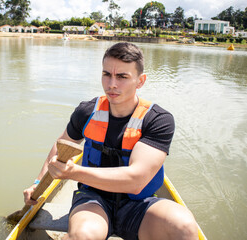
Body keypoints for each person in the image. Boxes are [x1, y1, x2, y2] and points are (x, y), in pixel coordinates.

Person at [23, 42, 199, 240]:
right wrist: (37, 183)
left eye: (122, 77)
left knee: (183, 227)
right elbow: (60, 145)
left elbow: (136, 181)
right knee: (82, 235)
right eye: (107, 74)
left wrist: (74, 173)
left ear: (140, 81)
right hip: (93, 200)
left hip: (140, 204)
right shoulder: (87, 111)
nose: (112, 84)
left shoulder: (158, 120)